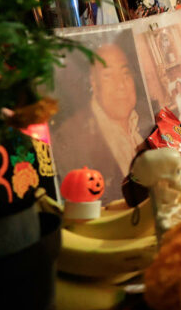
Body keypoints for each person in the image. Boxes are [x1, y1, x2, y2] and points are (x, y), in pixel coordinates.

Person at [55, 42, 147, 201]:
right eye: (108, 75)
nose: (120, 85)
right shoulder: (71, 139)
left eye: (126, 74)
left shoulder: (149, 120)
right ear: (94, 83)